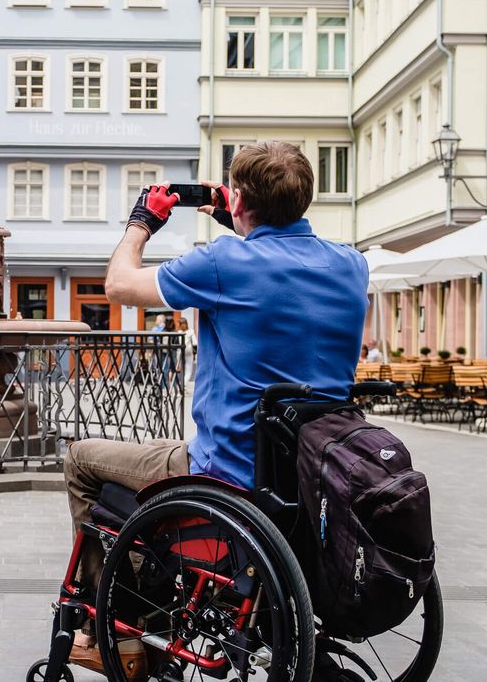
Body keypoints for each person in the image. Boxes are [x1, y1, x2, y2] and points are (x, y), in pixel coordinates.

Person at [62, 141, 369, 675]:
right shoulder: (351, 264)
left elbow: (118, 284)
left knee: (82, 460)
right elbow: (281, 267)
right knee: (157, 454)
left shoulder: (226, 261)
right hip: (312, 472)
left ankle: (117, 627)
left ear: (241, 199)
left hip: (226, 472)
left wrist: (142, 221)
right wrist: (246, 222)